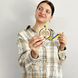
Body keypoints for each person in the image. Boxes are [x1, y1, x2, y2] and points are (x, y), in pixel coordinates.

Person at [17, 0, 67, 78]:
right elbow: (23, 64)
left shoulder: (55, 37)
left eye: (47, 11)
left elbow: (61, 61)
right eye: (40, 9)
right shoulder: (23, 35)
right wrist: (33, 54)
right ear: (36, 12)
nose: (43, 12)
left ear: (51, 17)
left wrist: (62, 47)